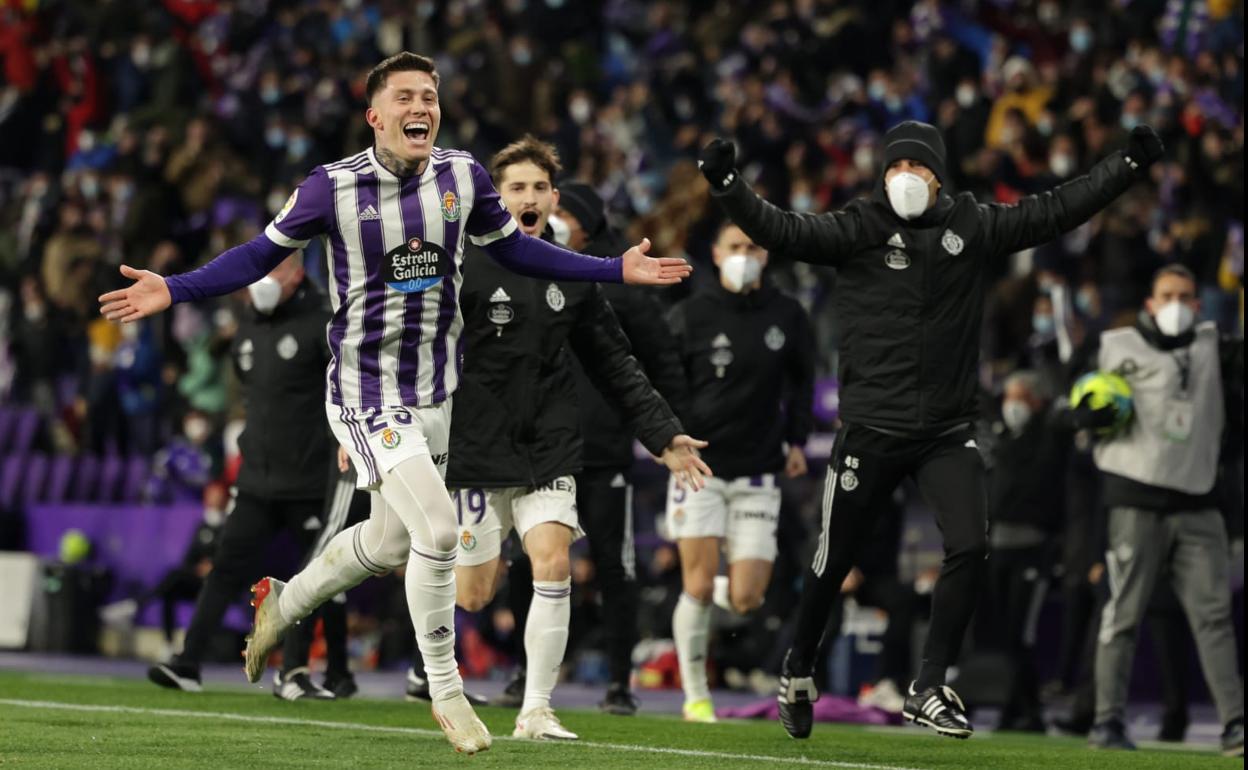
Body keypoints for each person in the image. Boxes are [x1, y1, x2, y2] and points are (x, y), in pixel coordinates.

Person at [99, 52, 691, 755]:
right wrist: (177, 288)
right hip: (365, 389)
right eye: (407, 96)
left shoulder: (463, 177)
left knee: (387, 544)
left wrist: (611, 268)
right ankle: (446, 693)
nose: (423, 106)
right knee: (439, 532)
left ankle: (282, 603)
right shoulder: (331, 188)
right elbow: (258, 255)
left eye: (432, 96)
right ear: (375, 116)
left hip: (435, 392)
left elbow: (524, 254)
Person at [696, 119, 1165, 739]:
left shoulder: (971, 223)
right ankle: (799, 665)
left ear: (938, 176)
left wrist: (1125, 167)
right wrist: (729, 185)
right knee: (831, 560)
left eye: (917, 167)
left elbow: (1056, 210)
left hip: (946, 427)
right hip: (870, 426)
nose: (905, 177)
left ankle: (928, 683)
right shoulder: (859, 226)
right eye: (894, 167)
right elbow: (781, 228)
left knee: (971, 544)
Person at [439, 136, 709, 740]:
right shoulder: (460, 265)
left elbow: (615, 363)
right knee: (475, 595)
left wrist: (663, 437)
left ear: (553, 199)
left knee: (554, 562)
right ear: (493, 198)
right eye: (516, 188)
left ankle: (536, 710)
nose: (528, 198)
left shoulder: (574, 274)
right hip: (476, 450)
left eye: (539, 189)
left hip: (549, 444)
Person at [146, 254, 338, 701]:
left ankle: (293, 672)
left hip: (308, 480)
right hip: (256, 480)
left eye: (276, 269)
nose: (264, 280)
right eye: (261, 271)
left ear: (297, 272)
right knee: (224, 568)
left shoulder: (323, 323)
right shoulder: (247, 328)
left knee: (310, 578)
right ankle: (188, 663)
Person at [1087, 264, 1244, 757]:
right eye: (1166, 294)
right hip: (1135, 499)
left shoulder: (1213, 347)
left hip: (1199, 503)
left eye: (1185, 295)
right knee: (1124, 615)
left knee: (1214, 618)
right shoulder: (1117, 347)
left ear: (1198, 305)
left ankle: (1236, 725)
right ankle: (1106, 721)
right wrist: (1079, 414)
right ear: (1150, 303)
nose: (1176, 302)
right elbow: (1076, 401)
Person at [663, 221, 814, 722]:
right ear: (715, 252)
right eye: (734, 246)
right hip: (699, 470)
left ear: (765, 254)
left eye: (751, 247)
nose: (743, 254)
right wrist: (669, 440)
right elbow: (668, 383)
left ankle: (702, 592)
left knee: (748, 598)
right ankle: (695, 695)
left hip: (759, 473)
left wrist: (795, 438)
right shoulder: (690, 315)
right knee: (701, 587)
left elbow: (802, 380)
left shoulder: (788, 315)